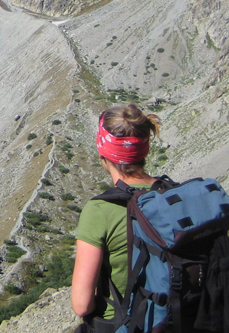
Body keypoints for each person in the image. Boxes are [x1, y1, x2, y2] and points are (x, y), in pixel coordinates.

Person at [71, 104, 161, 326]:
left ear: (103, 154)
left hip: (126, 324)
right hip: (175, 317)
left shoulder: (99, 211)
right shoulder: (171, 195)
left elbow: (82, 305)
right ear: (145, 150)